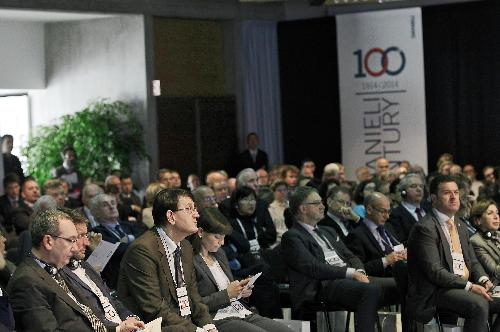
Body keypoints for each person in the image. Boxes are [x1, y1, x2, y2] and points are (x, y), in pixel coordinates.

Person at [407, 175, 500, 331]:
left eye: (456, 192)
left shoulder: (460, 224)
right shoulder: (425, 228)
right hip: (436, 291)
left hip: (461, 286)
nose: (453, 197)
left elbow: (472, 261)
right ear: (433, 198)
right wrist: (470, 286)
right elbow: (434, 272)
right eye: (447, 193)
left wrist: (483, 280)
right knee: (478, 304)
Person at [281, 186, 380, 331]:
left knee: (400, 283)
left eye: (322, 202)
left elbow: (350, 256)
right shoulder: (292, 237)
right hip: (322, 286)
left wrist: (359, 271)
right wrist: (351, 273)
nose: (323, 206)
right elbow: (313, 267)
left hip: (348, 278)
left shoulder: (328, 231)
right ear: (303, 209)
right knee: (369, 291)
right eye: (317, 203)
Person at [118, 188, 217, 331]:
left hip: (185, 324)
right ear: (171, 216)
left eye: (195, 209)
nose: (197, 214)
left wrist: (208, 326)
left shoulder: (186, 246)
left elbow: (194, 296)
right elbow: (154, 309)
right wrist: (197, 331)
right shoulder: (142, 251)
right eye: (189, 209)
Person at [191, 208, 293, 332]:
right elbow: (194, 305)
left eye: (223, 237)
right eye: (217, 237)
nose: (222, 242)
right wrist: (227, 294)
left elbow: (228, 287)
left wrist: (240, 291)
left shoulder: (219, 254)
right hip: (215, 317)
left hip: (239, 311)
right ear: (201, 232)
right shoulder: (190, 260)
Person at [7, 209, 110, 331]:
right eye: (71, 240)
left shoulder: (56, 268)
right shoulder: (26, 282)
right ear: (48, 241)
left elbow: (88, 318)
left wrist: (117, 329)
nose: (74, 248)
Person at [60, 208, 145, 331]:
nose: (87, 243)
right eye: (80, 236)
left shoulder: (84, 264)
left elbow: (109, 298)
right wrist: (118, 328)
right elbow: (88, 318)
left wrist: (130, 317)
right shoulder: (59, 274)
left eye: (86, 235)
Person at [347, 192, 405, 279]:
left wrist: (405, 251)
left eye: (389, 211)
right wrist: (385, 261)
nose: (387, 216)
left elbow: (398, 245)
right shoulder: (356, 235)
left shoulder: (388, 226)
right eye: (383, 211)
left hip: (401, 271)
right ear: (369, 210)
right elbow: (360, 269)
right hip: (382, 279)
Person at [90, 194, 140, 289]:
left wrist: (129, 239)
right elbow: (117, 251)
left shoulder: (130, 225)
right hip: (119, 282)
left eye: (113, 203)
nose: (111, 206)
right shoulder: (96, 233)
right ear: (96, 212)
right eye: (105, 205)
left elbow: (148, 236)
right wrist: (138, 243)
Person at [388, 174, 426, 244]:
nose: (419, 189)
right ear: (403, 192)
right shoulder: (395, 215)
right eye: (413, 186)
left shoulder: (429, 209)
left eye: (421, 186)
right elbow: (401, 242)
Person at [470, 200, 500, 284]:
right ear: (478, 221)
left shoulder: (498, 234)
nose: (496, 217)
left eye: (497, 213)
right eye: (490, 213)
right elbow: (496, 273)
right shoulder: (476, 242)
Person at [268, 181, 288, 246]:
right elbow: (273, 229)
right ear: (273, 192)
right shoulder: (270, 209)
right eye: (279, 190)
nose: (283, 192)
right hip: (278, 241)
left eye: (285, 190)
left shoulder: (292, 205)